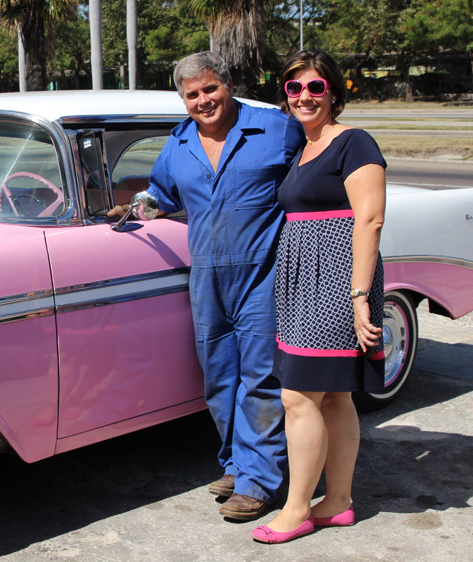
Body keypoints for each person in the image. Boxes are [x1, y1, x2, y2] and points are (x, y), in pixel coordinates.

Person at [109, 51, 305, 521]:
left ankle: (260, 481)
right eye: (192, 94)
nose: (203, 100)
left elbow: (315, 170)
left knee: (260, 378)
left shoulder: (276, 129)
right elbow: (161, 193)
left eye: (210, 88)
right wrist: (135, 208)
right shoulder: (178, 144)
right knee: (219, 378)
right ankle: (237, 464)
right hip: (208, 277)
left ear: (229, 84)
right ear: (183, 99)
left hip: (264, 273)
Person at [250, 49, 386, 544]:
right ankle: (340, 502)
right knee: (333, 395)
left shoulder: (353, 143)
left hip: (336, 281)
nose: (304, 96)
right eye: (294, 87)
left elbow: (369, 219)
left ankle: (296, 508)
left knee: (298, 395)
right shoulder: (303, 147)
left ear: (334, 92)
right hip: (302, 282)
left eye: (315, 87)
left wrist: (359, 296)